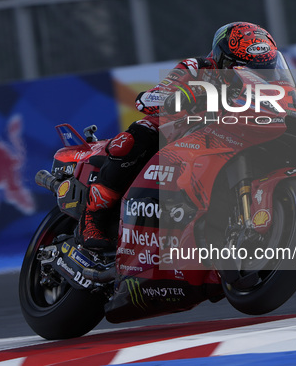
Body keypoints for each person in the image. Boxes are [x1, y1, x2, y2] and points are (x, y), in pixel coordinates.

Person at [79, 21, 280, 250]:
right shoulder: (197, 67)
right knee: (132, 142)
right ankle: (92, 221)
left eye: (264, 69)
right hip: (176, 131)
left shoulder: (267, 89)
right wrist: (182, 95)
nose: (255, 74)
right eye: (245, 68)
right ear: (224, 60)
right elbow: (148, 99)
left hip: (226, 138)